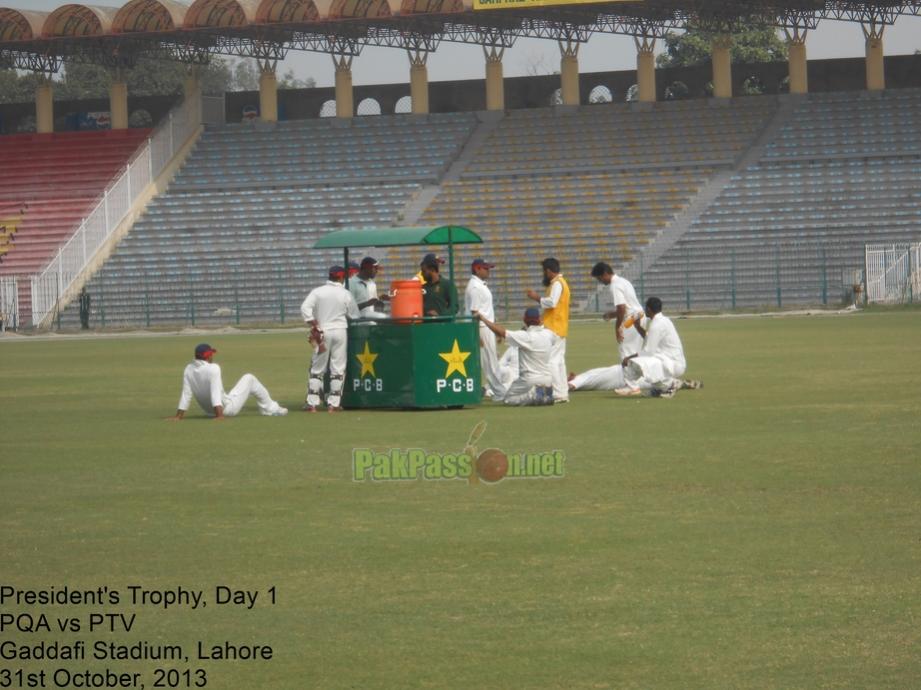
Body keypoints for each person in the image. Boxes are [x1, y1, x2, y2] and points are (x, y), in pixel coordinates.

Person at [168, 343, 287, 420]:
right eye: (211, 355)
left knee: (235, 391)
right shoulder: (213, 368)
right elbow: (215, 393)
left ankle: (269, 408)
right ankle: (271, 408)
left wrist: (179, 416)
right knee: (249, 378)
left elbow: (186, 394)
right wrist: (220, 415)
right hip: (226, 409)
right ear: (208, 356)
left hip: (209, 411)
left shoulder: (188, 368)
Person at [301, 265, 361, 412]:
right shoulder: (345, 293)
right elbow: (354, 315)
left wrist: (313, 322)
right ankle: (333, 404)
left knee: (317, 368)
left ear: (330, 275)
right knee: (338, 368)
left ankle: (312, 403)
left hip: (323, 330)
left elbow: (305, 308)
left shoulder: (318, 292)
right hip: (340, 331)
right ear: (341, 277)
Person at [617, 297, 696, 398]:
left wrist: (629, 358)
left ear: (649, 310)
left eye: (646, 308)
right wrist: (638, 327)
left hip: (672, 363)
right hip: (669, 360)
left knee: (640, 365)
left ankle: (670, 386)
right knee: (642, 364)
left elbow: (648, 352)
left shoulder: (657, 324)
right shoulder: (663, 320)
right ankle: (661, 387)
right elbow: (650, 338)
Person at [474, 307, 553, 406]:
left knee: (508, 399)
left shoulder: (525, 336)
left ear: (524, 320)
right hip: (548, 378)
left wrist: (483, 319)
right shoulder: (549, 334)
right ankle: (546, 394)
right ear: (539, 319)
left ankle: (533, 395)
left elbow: (502, 332)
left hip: (529, 379)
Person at [526, 258, 570, 403]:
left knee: (551, 362)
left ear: (549, 271)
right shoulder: (562, 283)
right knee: (559, 362)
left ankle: (558, 393)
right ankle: (562, 392)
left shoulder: (557, 284)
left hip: (553, 328)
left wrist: (536, 297)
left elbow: (552, 302)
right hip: (560, 327)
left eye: (544, 271)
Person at [464, 258, 503, 398]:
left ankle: (498, 391)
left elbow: (485, 311)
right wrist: (478, 335)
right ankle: (499, 393)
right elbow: (475, 313)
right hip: (481, 328)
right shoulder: (475, 287)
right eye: (485, 268)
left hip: (485, 327)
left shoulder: (480, 285)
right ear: (477, 269)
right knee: (490, 362)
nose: (488, 271)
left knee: (491, 360)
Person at [590, 262, 644, 361]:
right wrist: (611, 314)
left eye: (599, 278)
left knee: (626, 353)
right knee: (636, 352)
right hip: (640, 316)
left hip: (631, 320)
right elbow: (628, 307)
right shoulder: (624, 281)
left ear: (605, 274)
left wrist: (618, 329)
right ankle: (641, 376)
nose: (600, 281)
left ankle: (628, 376)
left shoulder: (614, 285)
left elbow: (622, 308)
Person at [420, 253, 458, 317]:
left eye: (424, 271)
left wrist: (440, 316)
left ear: (432, 269)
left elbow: (454, 307)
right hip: (425, 326)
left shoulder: (447, 285)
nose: (421, 274)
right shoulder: (422, 288)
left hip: (442, 326)